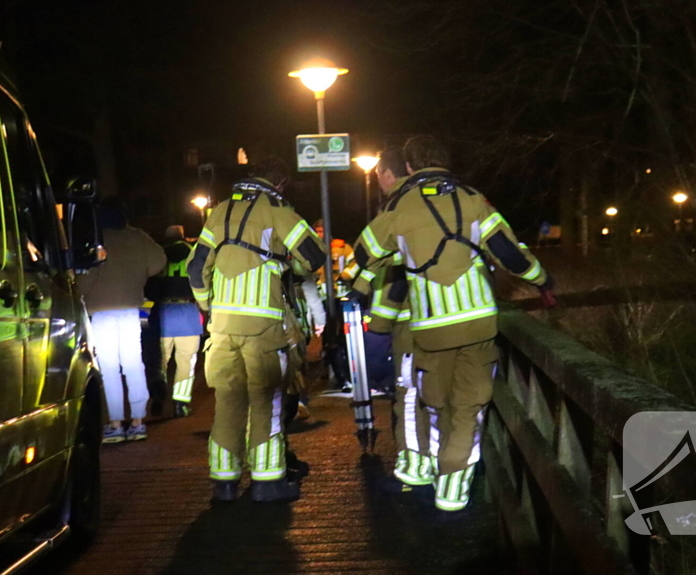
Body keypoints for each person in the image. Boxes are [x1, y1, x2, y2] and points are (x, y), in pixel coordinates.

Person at [351, 136, 554, 512]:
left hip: (430, 330)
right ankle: (453, 490)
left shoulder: (399, 209)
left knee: (435, 403)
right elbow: (511, 253)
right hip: (478, 324)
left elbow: (363, 255)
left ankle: (428, 468)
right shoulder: (474, 199)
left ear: (409, 167)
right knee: (469, 407)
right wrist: (543, 282)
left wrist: (392, 262)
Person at [186, 157, 326, 503]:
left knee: (228, 403)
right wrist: (286, 264)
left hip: (221, 328)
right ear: (280, 185)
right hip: (263, 327)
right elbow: (314, 255)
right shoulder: (276, 210)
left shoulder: (218, 213)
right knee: (267, 402)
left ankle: (224, 482)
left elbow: (195, 268)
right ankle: (267, 482)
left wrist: (208, 305)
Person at [360, 147, 432, 492]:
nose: (378, 183)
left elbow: (391, 271)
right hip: (453, 317)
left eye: (377, 176)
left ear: (390, 174)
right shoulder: (449, 199)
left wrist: (377, 325)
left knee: (408, 396)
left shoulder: (397, 207)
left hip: (410, 323)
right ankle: (445, 466)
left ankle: (414, 468)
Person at [77, 197, 166, 444]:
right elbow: (159, 262)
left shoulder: (95, 239)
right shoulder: (137, 236)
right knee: (133, 364)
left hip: (102, 311)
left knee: (109, 369)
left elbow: (85, 278)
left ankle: (115, 424)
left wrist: (79, 292)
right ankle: (138, 422)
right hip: (130, 309)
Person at [147, 224, 203, 419]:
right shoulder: (194, 254)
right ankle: (181, 403)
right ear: (183, 236)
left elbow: (149, 287)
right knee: (185, 362)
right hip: (188, 312)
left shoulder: (159, 256)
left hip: (163, 313)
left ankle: (158, 394)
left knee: (159, 360)